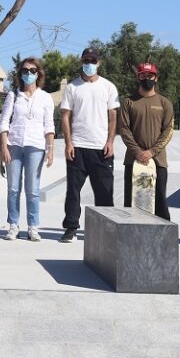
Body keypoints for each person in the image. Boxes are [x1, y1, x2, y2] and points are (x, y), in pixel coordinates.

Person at [59, 47, 120, 243]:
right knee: (73, 191)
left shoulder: (108, 87)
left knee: (104, 191)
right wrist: (68, 143)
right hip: (78, 146)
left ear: (99, 63)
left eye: (93, 60)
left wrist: (110, 141)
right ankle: (70, 228)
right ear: (81, 61)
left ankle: (106, 230)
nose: (90, 64)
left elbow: (113, 116)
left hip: (101, 148)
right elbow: (65, 115)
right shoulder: (72, 87)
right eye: (86, 60)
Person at [0, 56, 55, 241]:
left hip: (36, 147)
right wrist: (4, 146)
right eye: (25, 71)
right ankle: (13, 225)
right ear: (20, 74)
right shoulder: (13, 95)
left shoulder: (46, 98)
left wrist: (50, 149)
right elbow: (4, 121)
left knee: (33, 189)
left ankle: (33, 226)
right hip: (14, 145)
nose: (28, 74)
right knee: (13, 188)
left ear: (38, 74)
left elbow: (49, 125)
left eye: (32, 71)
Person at [118, 62, 174, 220]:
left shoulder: (165, 103)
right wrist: (137, 152)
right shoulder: (129, 102)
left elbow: (168, 131)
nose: (146, 78)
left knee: (159, 200)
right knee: (132, 201)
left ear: (156, 78)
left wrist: (151, 152)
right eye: (143, 75)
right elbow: (124, 129)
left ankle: (163, 236)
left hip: (158, 161)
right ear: (138, 77)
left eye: (150, 76)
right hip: (133, 161)